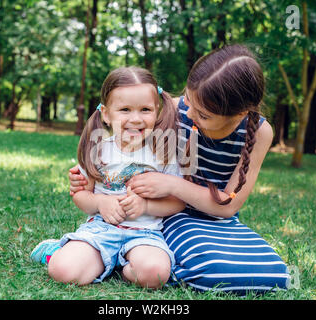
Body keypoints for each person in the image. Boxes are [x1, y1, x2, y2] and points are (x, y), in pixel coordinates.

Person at [68, 45, 291, 295]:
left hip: (216, 215)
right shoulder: (173, 110)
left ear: (240, 114)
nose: (189, 112)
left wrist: (172, 184)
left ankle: (143, 267)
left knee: (271, 276)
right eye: (187, 98)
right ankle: (129, 261)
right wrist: (90, 179)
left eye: (203, 115)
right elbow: (122, 133)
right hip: (170, 214)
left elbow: (229, 206)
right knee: (215, 271)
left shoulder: (260, 131)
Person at [30, 66, 185, 289]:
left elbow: (177, 202)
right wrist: (101, 202)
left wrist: (146, 206)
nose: (136, 118)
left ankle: (119, 266)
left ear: (157, 111)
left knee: (156, 275)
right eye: (124, 110)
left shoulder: (163, 153)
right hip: (100, 230)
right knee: (62, 271)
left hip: (145, 234)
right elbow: (80, 195)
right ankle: (57, 250)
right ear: (106, 114)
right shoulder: (98, 149)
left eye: (145, 109)